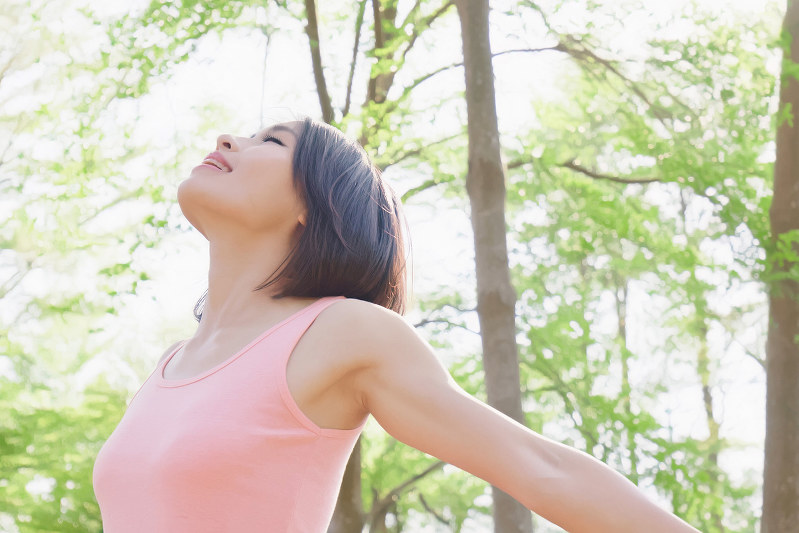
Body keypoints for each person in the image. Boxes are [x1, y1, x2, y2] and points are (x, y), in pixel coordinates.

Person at [92, 116, 701, 533]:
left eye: (270, 142)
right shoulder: (168, 366)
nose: (230, 140)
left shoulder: (342, 333)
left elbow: (540, 467)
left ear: (314, 205)